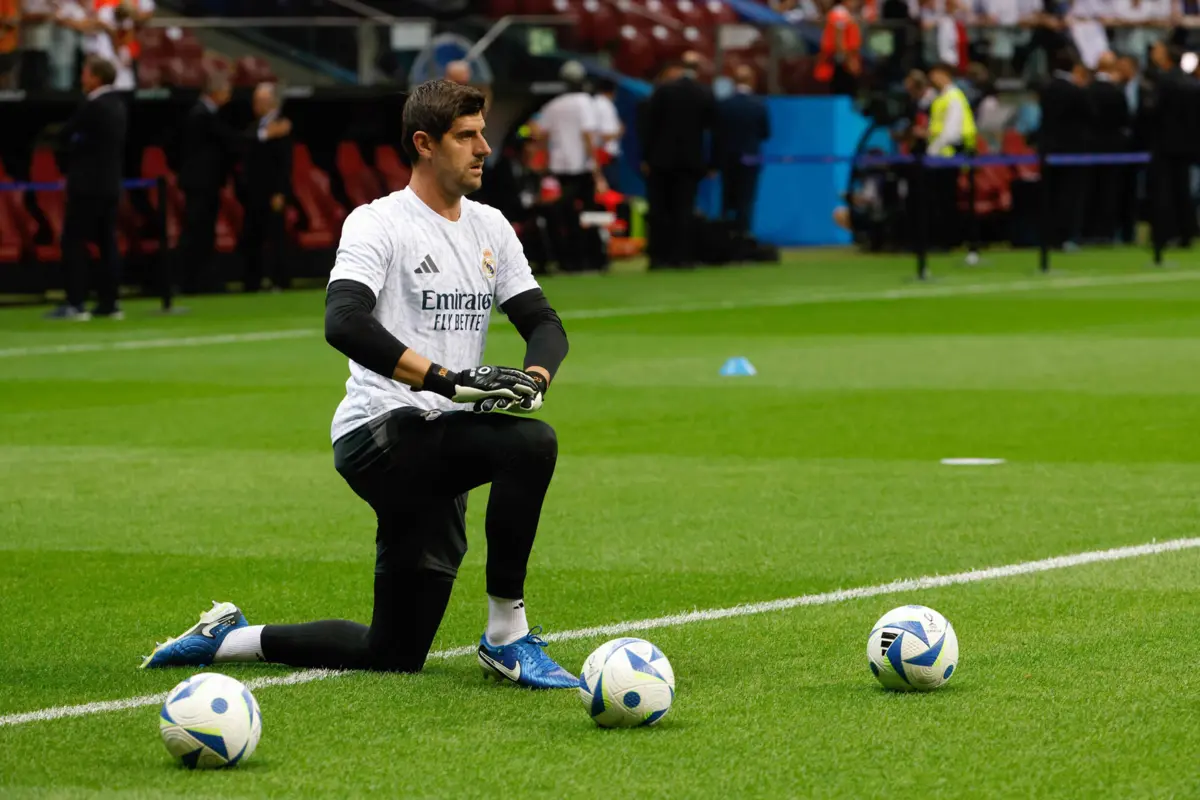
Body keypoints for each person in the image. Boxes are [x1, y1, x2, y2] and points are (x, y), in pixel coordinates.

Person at [139, 79, 577, 689]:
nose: (483, 149)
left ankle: (228, 638)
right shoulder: (378, 223)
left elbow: (544, 323)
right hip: (380, 433)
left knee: (393, 651)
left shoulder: (491, 227)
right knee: (530, 445)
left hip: (440, 443)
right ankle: (507, 636)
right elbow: (343, 322)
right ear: (424, 143)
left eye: (482, 134)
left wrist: (533, 377)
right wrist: (448, 381)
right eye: (466, 137)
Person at [178, 72, 290, 294]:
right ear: (216, 92)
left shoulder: (208, 114)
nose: (229, 97)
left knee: (205, 232)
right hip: (201, 184)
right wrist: (264, 135)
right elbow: (229, 138)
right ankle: (193, 281)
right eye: (226, 92)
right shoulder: (201, 115)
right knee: (198, 232)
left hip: (215, 185)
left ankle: (202, 280)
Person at [45, 56, 127, 320]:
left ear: (96, 77)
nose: (82, 77)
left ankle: (75, 303)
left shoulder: (93, 105)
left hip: (86, 187)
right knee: (107, 243)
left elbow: (66, 134)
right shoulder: (118, 104)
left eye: (86, 73)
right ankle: (109, 303)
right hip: (110, 185)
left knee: (74, 242)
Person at [642, 58, 716, 269]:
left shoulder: (663, 92)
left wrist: (646, 158)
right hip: (690, 162)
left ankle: (658, 257)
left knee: (659, 209)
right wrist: (712, 163)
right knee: (684, 210)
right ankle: (683, 256)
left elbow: (649, 127)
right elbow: (713, 130)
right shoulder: (703, 93)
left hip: (661, 160)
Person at [532, 60, 603, 272]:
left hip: (558, 167)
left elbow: (540, 134)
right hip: (581, 166)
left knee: (564, 216)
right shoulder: (584, 102)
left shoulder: (553, 105)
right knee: (588, 215)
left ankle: (567, 260)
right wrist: (597, 168)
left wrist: (543, 161)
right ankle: (592, 258)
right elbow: (587, 135)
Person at [240, 81, 292, 292]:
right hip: (253, 192)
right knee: (252, 236)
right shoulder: (256, 126)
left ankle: (280, 280)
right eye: (255, 100)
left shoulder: (283, 126)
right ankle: (252, 282)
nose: (256, 105)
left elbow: (285, 163)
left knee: (276, 236)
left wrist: (280, 191)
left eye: (260, 100)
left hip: (273, 192)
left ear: (272, 102)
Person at [1038, 50, 1091, 250]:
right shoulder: (1075, 91)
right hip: (1071, 150)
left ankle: (1049, 237)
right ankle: (1067, 236)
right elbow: (1088, 115)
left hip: (1048, 149)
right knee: (1069, 195)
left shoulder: (1046, 87)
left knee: (1050, 194)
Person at [920, 62, 976, 251]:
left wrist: (932, 151)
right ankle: (943, 238)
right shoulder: (940, 97)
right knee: (940, 199)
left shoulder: (953, 97)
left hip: (948, 154)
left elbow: (951, 131)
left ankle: (948, 240)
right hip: (942, 155)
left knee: (945, 200)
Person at [714, 63, 770, 242]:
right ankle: (743, 235)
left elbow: (717, 134)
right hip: (749, 158)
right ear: (752, 81)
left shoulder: (724, 105)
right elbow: (765, 133)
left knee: (727, 196)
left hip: (727, 158)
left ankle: (726, 234)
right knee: (746, 197)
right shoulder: (758, 105)